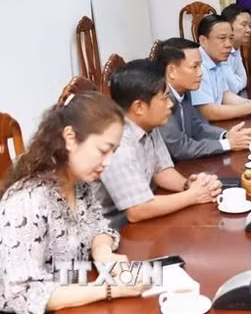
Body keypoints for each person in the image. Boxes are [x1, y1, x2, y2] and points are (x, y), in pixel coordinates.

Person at [0, 92, 148, 313]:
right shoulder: (27, 201)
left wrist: (103, 253)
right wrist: (110, 289)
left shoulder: (78, 183)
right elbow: (24, 294)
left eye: (113, 152)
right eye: (102, 150)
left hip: (76, 295)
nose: (108, 162)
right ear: (70, 138)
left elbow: (98, 226)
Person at [93, 59, 222, 226]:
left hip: (143, 211)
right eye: (164, 98)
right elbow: (136, 210)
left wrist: (187, 185)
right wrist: (193, 195)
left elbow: (161, 170)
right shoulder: (117, 143)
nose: (170, 105)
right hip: (112, 227)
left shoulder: (147, 124)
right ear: (139, 107)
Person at [156, 37, 251, 160]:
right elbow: (180, 148)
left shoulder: (184, 90)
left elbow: (197, 127)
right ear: (171, 71)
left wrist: (226, 136)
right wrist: (228, 144)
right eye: (194, 67)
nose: (200, 73)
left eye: (200, 66)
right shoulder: (159, 101)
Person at [192, 14, 251, 121]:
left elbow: (225, 95)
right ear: (203, 40)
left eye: (231, 38)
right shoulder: (196, 66)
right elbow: (208, 112)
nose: (228, 45)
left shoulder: (216, 61)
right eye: (222, 38)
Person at [220, 3, 251, 97]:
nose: (248, 30)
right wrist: (238, 83)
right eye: (244, 25)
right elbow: (234, 87)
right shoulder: (220, 51)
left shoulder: (236, 48)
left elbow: (243, 81)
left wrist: (238, 83)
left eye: (250, 25)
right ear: (228, 26)